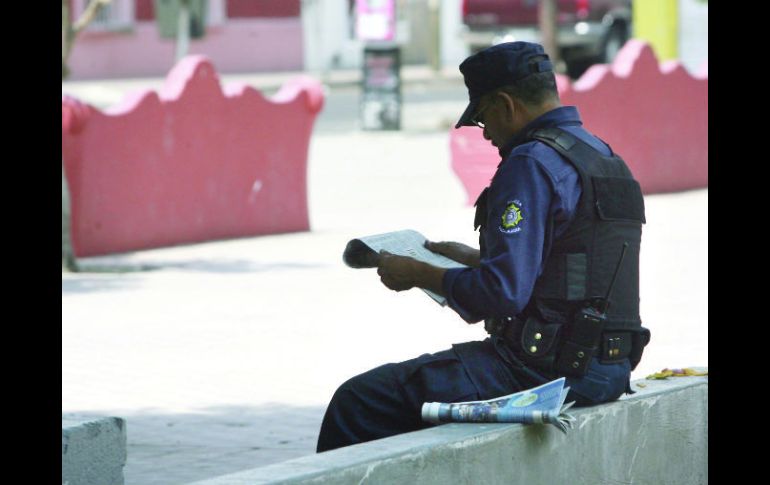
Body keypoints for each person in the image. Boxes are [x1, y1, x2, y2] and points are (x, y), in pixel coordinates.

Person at [316, 41, 650, 453]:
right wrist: (472, 258)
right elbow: (571, 270)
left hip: (541, 372)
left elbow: (502, 294)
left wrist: (417, 272)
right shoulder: (602, 156)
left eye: (482, 117)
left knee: (359, 402)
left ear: (505, 104)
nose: (486, 133)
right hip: (607, 368)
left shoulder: (531, 163)